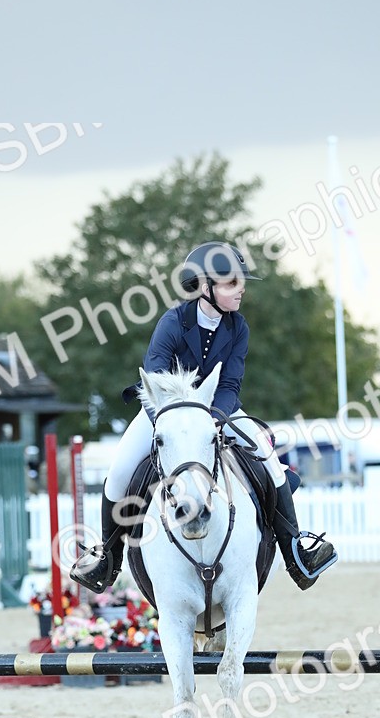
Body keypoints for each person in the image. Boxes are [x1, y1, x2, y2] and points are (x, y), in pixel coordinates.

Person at [70, 241, 337, 593]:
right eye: (231, 283)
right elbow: (155, 381)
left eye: (240, 282)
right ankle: (108, 560)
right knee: (119, 472)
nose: (241, 289)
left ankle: (295, 552)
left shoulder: (238, 328)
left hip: (217, 410)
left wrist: (212, 419)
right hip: (162, 410)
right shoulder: (173, 322)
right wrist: (175, 418)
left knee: (269, 460)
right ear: (205, 287)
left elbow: (229, 384)